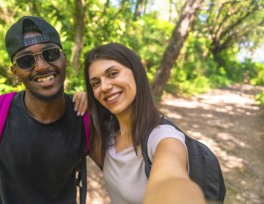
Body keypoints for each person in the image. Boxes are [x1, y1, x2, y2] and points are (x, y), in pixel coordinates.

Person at [0, 16, 88, 204]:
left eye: (50, 53)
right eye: (25, 61)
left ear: (64, 59)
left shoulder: (84, 117)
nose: (41, 67)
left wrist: (97, 101)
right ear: (15, 72)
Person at [84, 43, 205, 204]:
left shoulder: (163, 137)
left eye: (113, 74)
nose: (104, 87)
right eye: (95, 83)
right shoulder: (106, 134)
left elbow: (171, 176)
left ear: (136, 72)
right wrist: (81, 100)